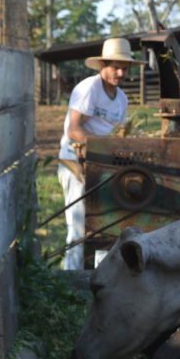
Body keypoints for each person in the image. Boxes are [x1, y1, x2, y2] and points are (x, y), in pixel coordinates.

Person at [57, 37, 143, 270]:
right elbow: (73, 130)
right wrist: (104, 145)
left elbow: (119, 133)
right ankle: (70, 279)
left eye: (124, 68)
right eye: (116, 67)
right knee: (78, 227)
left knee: (105, 223)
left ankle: (99, 275)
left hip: (103, 166)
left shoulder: (121, 100)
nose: (120, 73)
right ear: (103, 64)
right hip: (75, 163)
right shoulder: (89, 89)